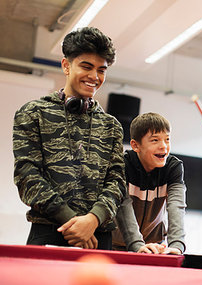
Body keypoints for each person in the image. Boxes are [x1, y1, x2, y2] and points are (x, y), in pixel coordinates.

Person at [13, 27, 126, 250]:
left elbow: (118, 183)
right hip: (49, 232)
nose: (94, 77)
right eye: (86, 66)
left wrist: (92, 219)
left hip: (97, 237)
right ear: (66, 65)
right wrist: (73, 222)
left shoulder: (111, 126)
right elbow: (27, 177)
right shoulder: (33, 113)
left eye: (101, 70)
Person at [112, 112, 186, 254]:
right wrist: (137, 245)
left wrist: (177, 245)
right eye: (155, 140)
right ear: (135, 145)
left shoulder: (174, 167)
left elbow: (176, 206)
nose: (163, 146)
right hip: (115, 244)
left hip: (154, 246)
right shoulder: (121, 165)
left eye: (167, 139)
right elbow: (123, 205)